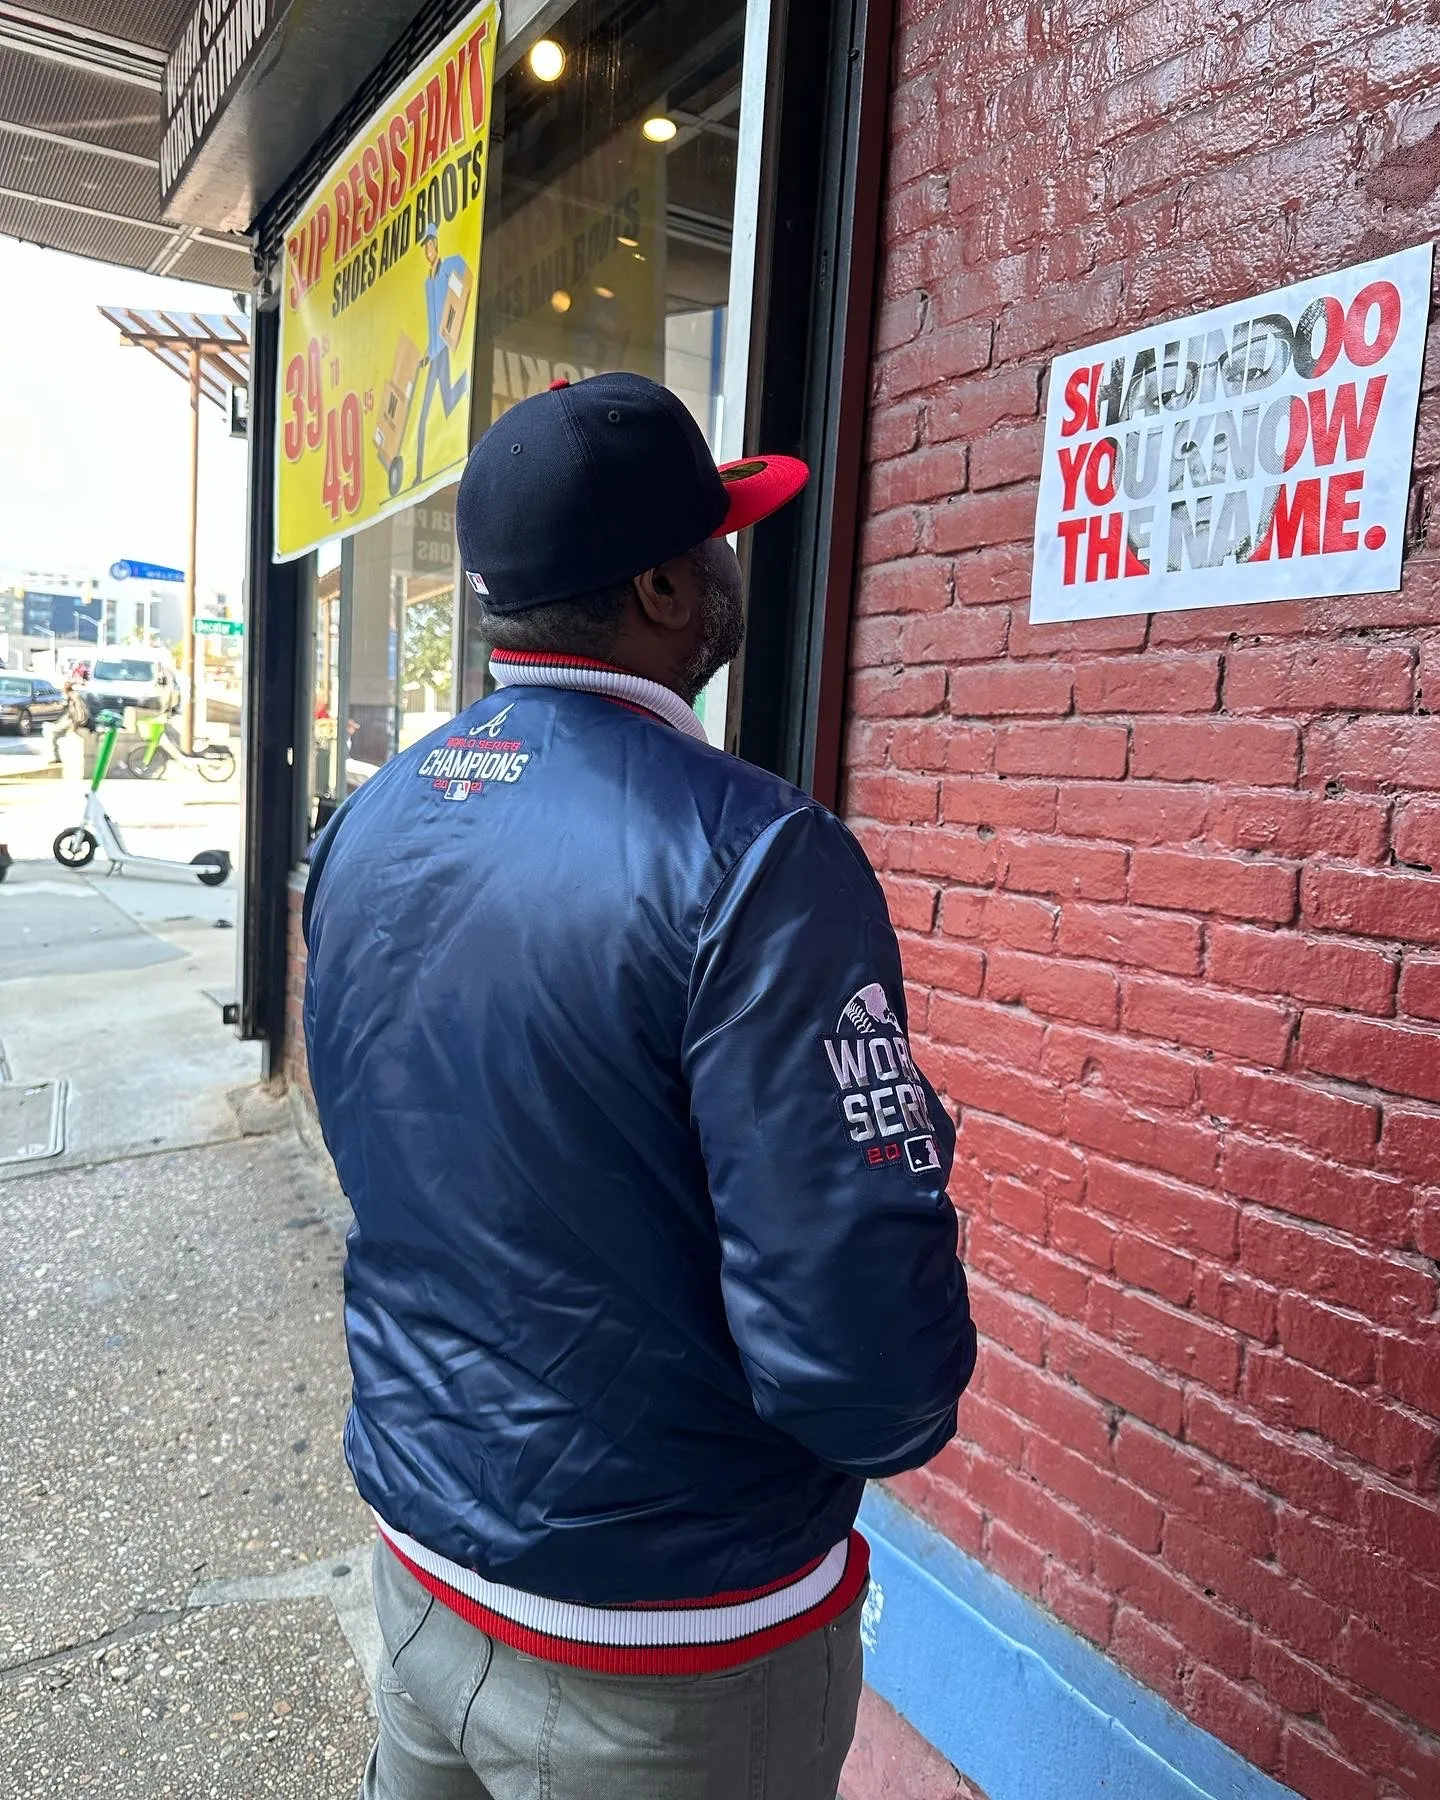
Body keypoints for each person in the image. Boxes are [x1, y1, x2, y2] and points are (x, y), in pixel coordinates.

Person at [303, 373, 977, 1800]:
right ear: (670, 588)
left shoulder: (372, 819)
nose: (737, 564)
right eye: (719, 542)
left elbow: (392, 1149)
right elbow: (866, 1374)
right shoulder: (756, 857)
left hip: (424, 1558)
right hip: (666, 1648)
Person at [413, 220, 470, 485]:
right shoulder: (426, 283)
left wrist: (454, 318)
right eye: (426, 246)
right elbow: (431, 323)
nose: (429, 249)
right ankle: (418, 474)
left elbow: (464, 270)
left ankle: (470, 379)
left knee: (434, 409)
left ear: (437, 245)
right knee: (436, 408)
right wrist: (426, 350)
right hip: (434, 354)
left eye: (431, 244)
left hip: (443, 353)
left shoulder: (448, 267)